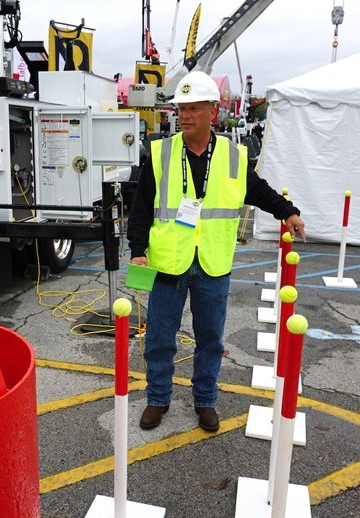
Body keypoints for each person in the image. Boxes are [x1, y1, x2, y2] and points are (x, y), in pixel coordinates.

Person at [127, 71, 305, 433]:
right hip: (168, 264)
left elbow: (259, 191)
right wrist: (136, 249)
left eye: (194, 108)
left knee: (211, 340)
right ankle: (158, 399)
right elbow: (141, 207)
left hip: (212, 264)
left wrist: (288, 211)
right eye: (181, 109)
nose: (186, 115)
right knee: (160, 338)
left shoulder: (233, 155)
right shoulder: (160, 152)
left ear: (213, 111)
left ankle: (205, 401)